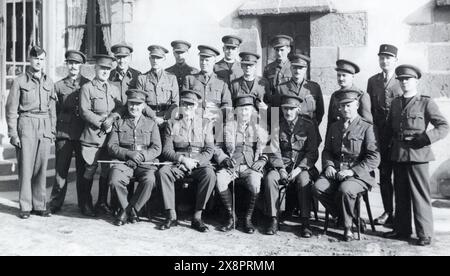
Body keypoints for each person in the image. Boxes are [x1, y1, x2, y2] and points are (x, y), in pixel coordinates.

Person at [383, 65, 449, 246]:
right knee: (401, 194)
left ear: (416, 81)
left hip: (418, 154)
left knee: (420, 194)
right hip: (398, 154)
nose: (404, 82)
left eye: (408, 79)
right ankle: (402, 229)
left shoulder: (425, 102)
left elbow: (443, 126)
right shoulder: (396, 103)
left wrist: (426, 138)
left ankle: (425, 233)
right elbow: (389, 128)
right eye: (401, 79)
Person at [314, 89, 380, 242]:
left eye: (349, 105)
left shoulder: (367, 127)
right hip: (336, 171)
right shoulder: (334, 126)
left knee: (345, 190)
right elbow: (327, 150)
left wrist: (352, 172)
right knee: (317, 187)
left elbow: (374, 157)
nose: (345, 109)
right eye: (342, 106)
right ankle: (348, 217)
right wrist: (329, 165)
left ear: (357, 105)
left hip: (359, 175)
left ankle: (347, 227)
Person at [6, 46, 56, 219]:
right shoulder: (19, 81)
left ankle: (40, 205)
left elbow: (52, 109)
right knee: (26, 166)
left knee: (41, 167)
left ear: (44, 61)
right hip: (26, 124)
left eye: (42, 59)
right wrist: (13, 133)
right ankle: (25, 206)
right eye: (36, 59)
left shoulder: (49, 82)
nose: (38, 62)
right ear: (30, 60)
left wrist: (52, 130)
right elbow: (11, 109)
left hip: (44, 124)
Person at [157, 90, 216, 233]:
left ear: (197, 106)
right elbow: (167, 150)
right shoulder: (172, 123)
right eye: (185, 104)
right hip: (179, 162)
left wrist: (194, 162)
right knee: (163, 172)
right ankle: (171, 215)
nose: (188, 108)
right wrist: (183, 160)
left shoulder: (205, 124)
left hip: (198, 163)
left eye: (191, 105)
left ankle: (197, 217)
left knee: (210, 175)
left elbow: (209, 150)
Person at [264, 95, 319, 237]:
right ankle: (273, 219)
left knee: (304, 180)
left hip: (302, 167)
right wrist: (281, 169)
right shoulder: (277, 125)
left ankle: (305, 222)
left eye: (292, 109)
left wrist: (299, 169)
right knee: (270, 178)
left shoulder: (308, 125)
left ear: (298, 109)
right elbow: (273, 150)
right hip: (282, 165)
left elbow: (312, 152)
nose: (288, 112)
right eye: (285, 109)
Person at [215, 94, 269, 234]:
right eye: (241, 109)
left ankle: (247, 219)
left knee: (255, 182)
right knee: (220, 179)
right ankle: (232, 217)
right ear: (236, 111)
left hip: (251, 166)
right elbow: (217, 147)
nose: (244, 113)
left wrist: (262, 160)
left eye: (247, 110)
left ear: (252, 111)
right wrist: (224, 159)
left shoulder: (260, 126)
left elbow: (268, 147)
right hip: (231, 165)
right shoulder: (228, 126)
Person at [108, 89, 161, 226]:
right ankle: (131, 212)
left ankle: (128, 210)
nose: (134, 107)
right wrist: (128, 154)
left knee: (150, 180)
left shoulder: (151, 123)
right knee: (114, 180)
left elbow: (157, 148)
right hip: (124, 161)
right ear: (127, 104)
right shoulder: (119, 122)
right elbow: (111, 146)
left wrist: (141, 156)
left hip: (145, 162)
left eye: (138, 104)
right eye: (131, 103)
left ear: (143, 105)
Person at [79, 54, 123, 217]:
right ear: (95, 68)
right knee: (89, 170)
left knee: (106, 170)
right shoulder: (87, 88)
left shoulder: (114, 89)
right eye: (102, 68)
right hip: (92, 136)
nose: (104, 71)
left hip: (110, 138)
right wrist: (101, 122)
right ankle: (85, 204)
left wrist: (111, 118)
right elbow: (84, 111)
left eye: (107, 69)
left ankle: (102, 203)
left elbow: (120, 108)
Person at [49, 50, 90, 214]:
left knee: (83, 171)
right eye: (70, 63)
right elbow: (54, 110)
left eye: (77, 63)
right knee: (61, 169)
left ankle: (85, 204)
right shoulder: (58, 86)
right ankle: (56, 202)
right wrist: (54, 131)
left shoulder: (88, 84)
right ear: (67, 65)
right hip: (64, 133)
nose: (73, 66)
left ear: (81, 66)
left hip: (82, 133)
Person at [367, 44, 403, 226]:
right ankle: (388, 212)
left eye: (388, 58)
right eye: (382, 57)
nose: (385, 61)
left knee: (400, 177)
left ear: (395, 60)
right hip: (380, 136)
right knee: (384, 175)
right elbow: (369, 109)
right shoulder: (373, 81)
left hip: (398, 137)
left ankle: (401, 214)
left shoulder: (402, 80)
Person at [273, 54, 325, 126]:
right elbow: (274, 114)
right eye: (295, 67)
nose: (297, 71)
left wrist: (312, 127)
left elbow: (320, 112)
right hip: (287, 131)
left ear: (305, 69)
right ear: (290, 68)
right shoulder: (281, 88)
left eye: (300, 68)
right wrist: (274, 134)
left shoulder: (314, 88)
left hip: (309, 131)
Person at [137, 45, 179, 126]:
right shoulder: (142, 78)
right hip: (148, 119)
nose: (155, 60)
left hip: (166, 119)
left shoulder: (171, 78)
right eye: (153, 57)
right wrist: (154, 117)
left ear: (164, 59)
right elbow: (141, 102)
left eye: (158, 58)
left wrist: (164, 118)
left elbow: (175, 103)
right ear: (149, 59)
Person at [327, 59, 373, 130]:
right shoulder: (335, 95)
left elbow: (367, 124)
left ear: (352, 77)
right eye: (338, 75)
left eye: (344, 75)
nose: (341, 78)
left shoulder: (361, 95)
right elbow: (330, 122)